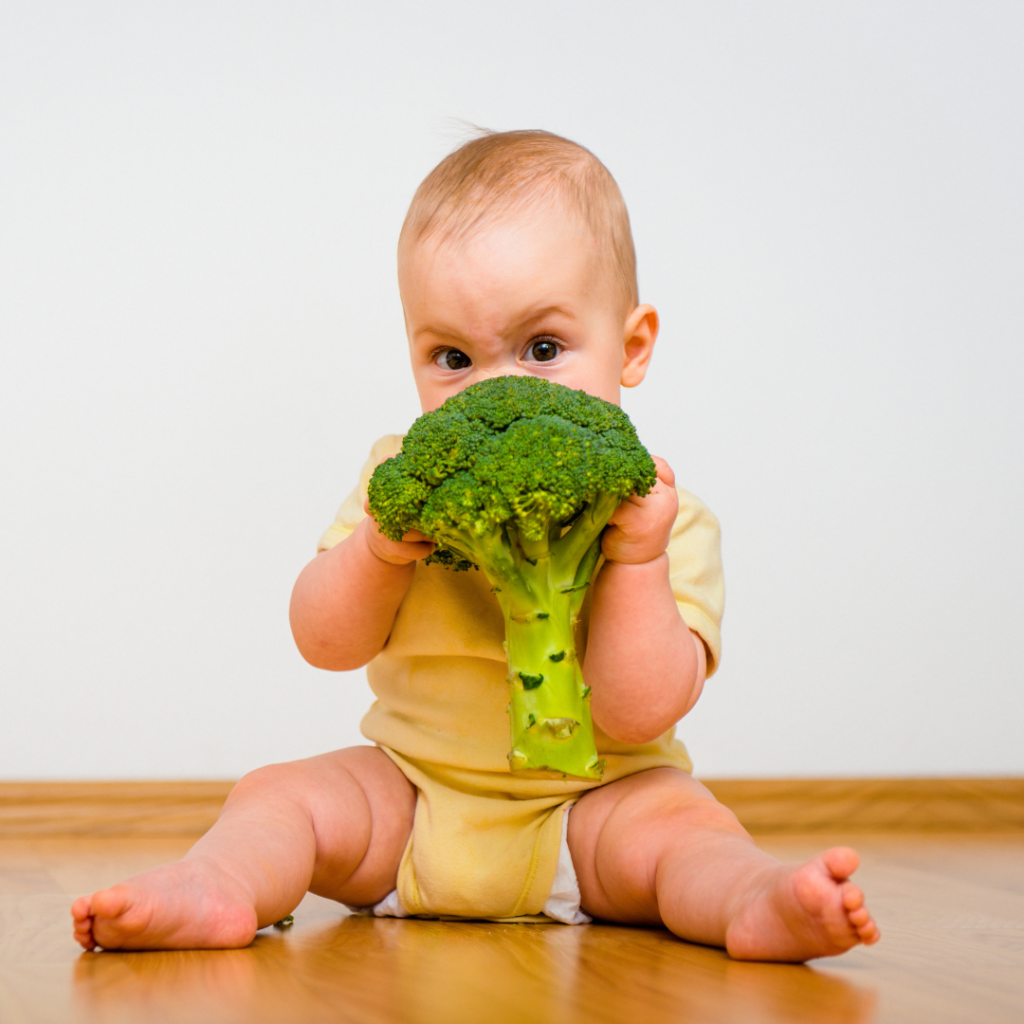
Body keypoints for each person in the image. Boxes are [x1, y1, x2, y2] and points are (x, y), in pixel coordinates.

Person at [72, 130, 879, 961]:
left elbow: (645, 710)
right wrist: (378, 553)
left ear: (632, 346)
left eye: (541, 350)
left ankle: (754, 900)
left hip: (596, 809)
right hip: (413, 800)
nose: (496, 391)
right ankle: (219, 886)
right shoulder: (400, 484)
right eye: (452, 357)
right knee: (281, 795)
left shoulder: (665, 517)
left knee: (685, 830)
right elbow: (322, 640)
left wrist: (635, 562)